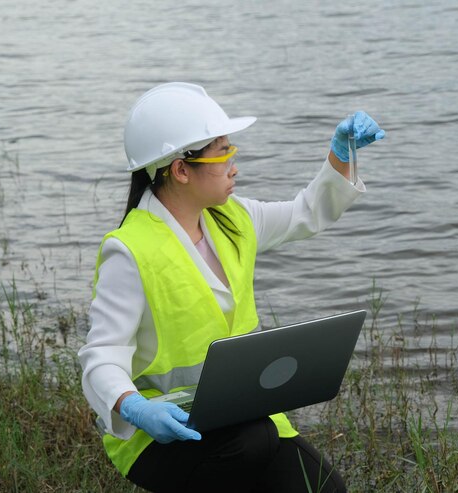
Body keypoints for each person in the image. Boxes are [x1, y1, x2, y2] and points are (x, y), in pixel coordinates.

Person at [78, 82, 385, 493]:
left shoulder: (232, 219)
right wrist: (136, 408)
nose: (233, 165)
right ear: (181, 170)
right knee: (252, 445)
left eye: (231, 150)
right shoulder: (130, 251)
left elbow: (306, 213)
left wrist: (340, 156)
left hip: (245, 415)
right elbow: (101, 358)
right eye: (222, 153)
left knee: (326, 489)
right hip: (159, 433)